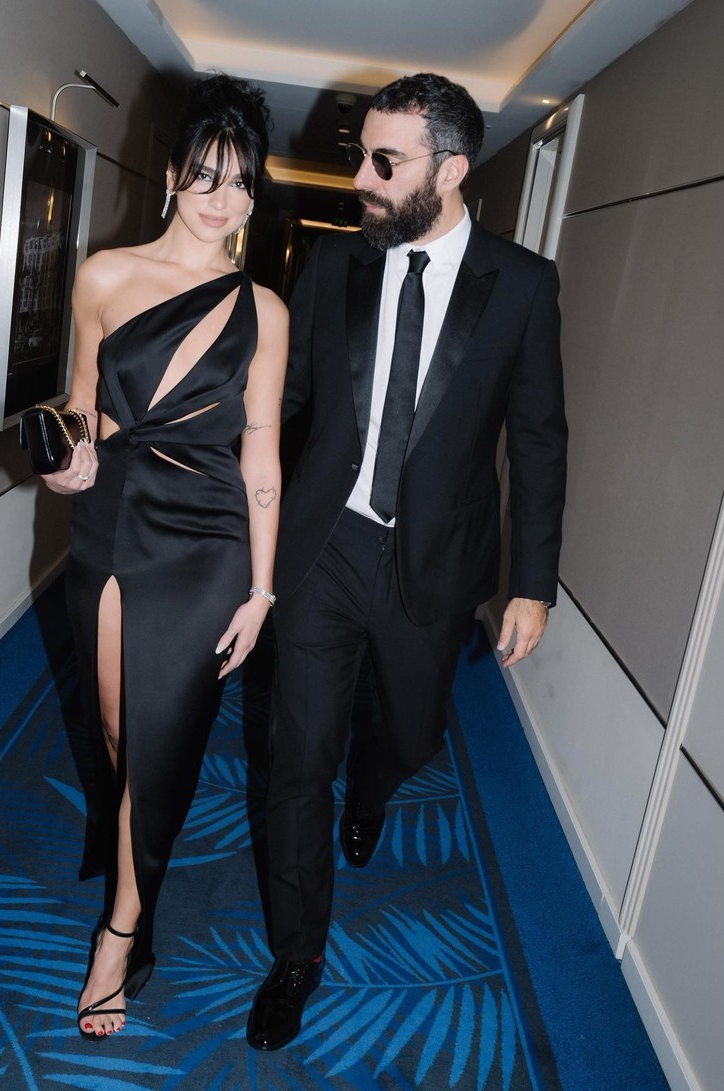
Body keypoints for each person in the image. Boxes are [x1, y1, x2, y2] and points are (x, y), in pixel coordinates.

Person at [246, 72, 567, 1051]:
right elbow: (286, 403)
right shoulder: (337, 263)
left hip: (435, 556)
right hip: (323, 543)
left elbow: (539, 438)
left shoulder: (521, 285)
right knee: (295, 757)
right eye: (362, 158)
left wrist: (532, 582)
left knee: (411, 729)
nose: (361, 180)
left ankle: (376, 783)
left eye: (384, 163)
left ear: (451, 169)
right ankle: (297, 954)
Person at [40, 73, 288, 1040]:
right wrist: (66, 454)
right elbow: (81, 403)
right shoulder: (104, 276)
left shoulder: (263, 309)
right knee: (117, 729)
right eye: (207, 176)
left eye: (242, 182)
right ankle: (132, 863)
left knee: (164, 734)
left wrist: (260, 589)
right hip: (110, 522)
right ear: (174, 173)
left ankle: (121, 928)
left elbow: (260, 454)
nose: (223, 200)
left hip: (208, 540)